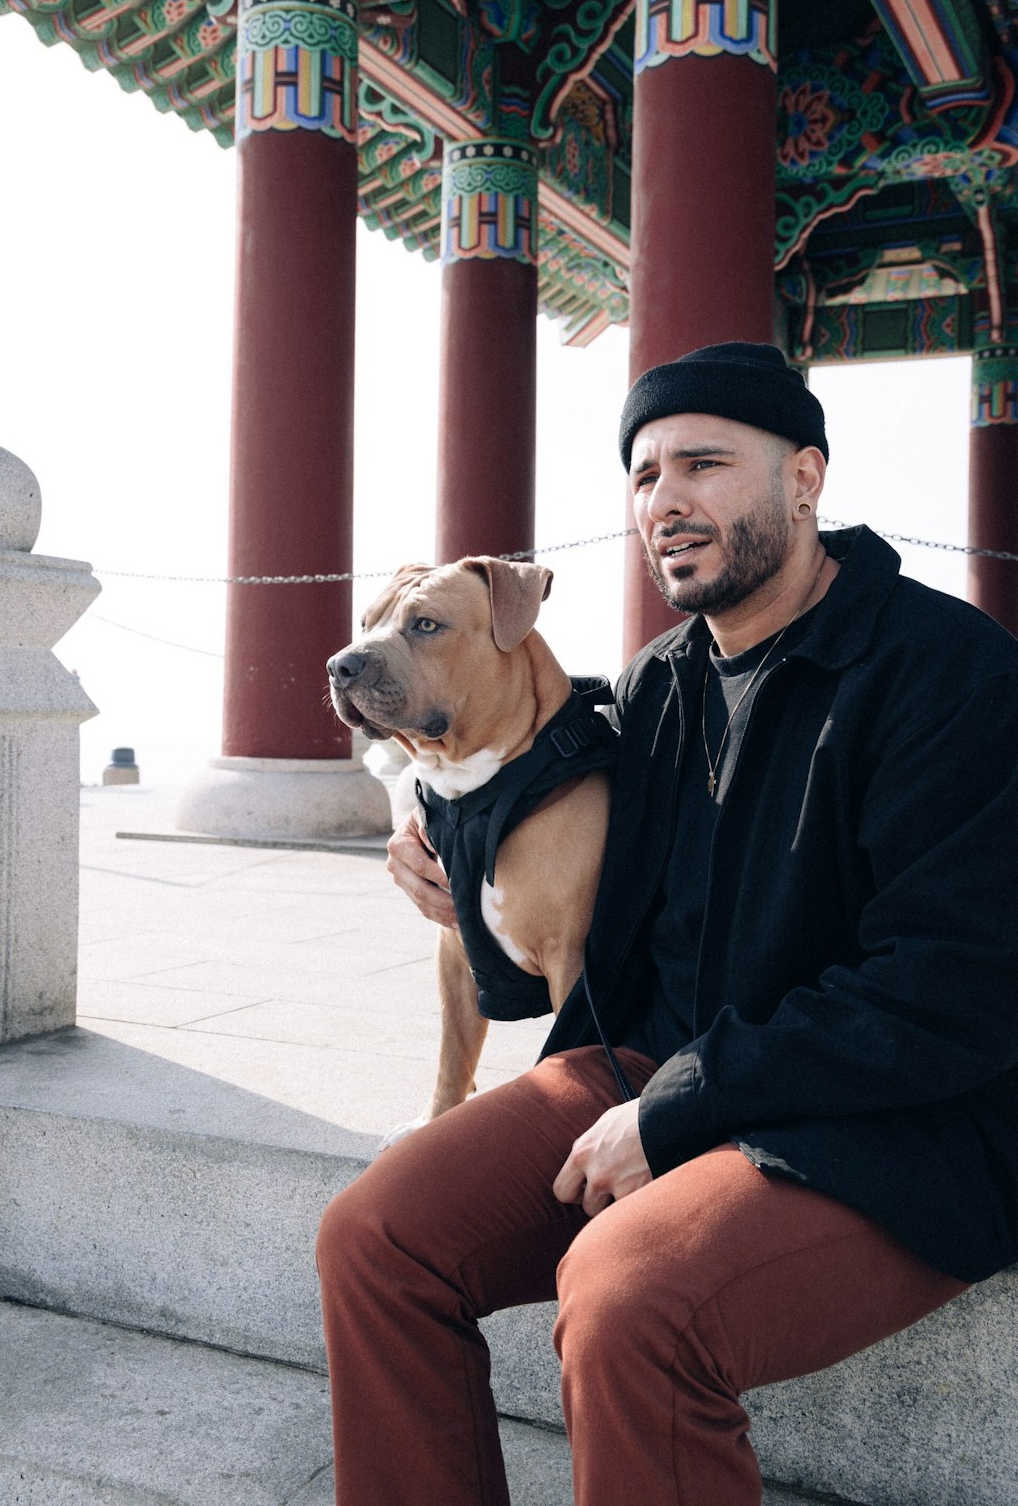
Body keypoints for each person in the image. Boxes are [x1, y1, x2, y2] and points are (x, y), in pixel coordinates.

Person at [316, 341, 1018, 1506]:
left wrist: (688, 1105)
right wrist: (438, 842)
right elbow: (520, 786)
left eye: (704, 464)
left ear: (805, 478)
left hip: (897, 1124)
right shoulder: (655, 683)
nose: (666, 502)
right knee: (375, 1239)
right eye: (644, 476)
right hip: (653, 1062)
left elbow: (958, 990)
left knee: (632, 1294)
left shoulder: (949, 672)